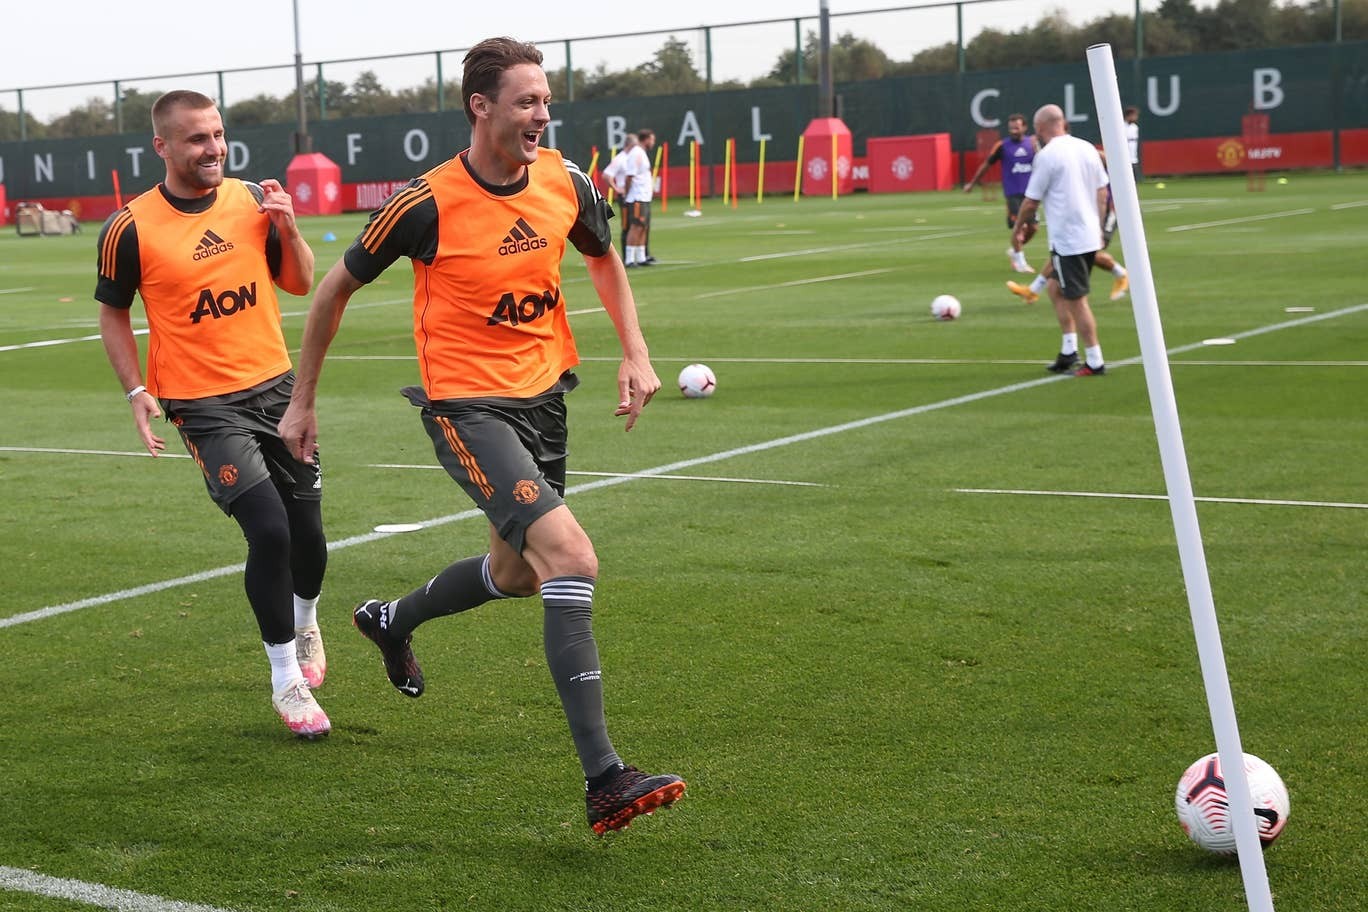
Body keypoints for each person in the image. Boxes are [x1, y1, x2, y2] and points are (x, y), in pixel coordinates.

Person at [277, 37, 685, 833]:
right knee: (571, 557)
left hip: (546, 399)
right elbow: (331, 292)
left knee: (521, 572)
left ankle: (392, 620)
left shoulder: (565, 179)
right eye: (528, 101)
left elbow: (604, 259)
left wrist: (635, 353)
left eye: (545, 100)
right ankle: (605, 778)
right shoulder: (423, 202)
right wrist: (303, 401)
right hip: (468, 408)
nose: (543, 114)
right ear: (482, 107)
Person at [94, 90, 330, 739]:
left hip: (277, 389)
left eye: (218, 135)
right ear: (162, 147)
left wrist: (288, 226)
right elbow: (113, 310)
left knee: (310, 537)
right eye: (197, 139)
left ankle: (307, 623)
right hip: (201, 404)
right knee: (271, 532)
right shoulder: (130, 226)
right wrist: (135, 389)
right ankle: (286, 683)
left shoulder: (253, 198)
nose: (214, 149)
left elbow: (303, 282)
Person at [1008, 103, 1110, 376]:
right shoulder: (1087, 147)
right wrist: (1099, 228)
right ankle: (1068, 351)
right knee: (1054, 289)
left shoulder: (1048, 156)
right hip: (1087, 235)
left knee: (1077, 300)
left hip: (1069, 239)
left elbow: (1030, 202)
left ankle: (1095, 360)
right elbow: (1102, 193)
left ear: (1040, 128)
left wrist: (1016, 230)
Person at [963, 112, 1038, 273]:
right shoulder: (1002, 146)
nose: (1013, 130)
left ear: (1024, 127)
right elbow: (986, 165)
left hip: (1031, 195)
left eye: (1017, 127)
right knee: (1019, 227)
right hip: (1013, 195)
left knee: (1033, 228)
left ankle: (1015, 251)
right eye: (1011, 128)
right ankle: (1020, 263)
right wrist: (972, 183)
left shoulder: (1032, 144)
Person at [620, 128, 656, 267]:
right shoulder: (636, 153)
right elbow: (630, 175)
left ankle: (641, 257)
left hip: (644, 196)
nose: (653, 142)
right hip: (637, 196)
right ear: (646, 139)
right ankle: (629, 259)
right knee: (635, 226)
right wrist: (627, 193)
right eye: (651, 139)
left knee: (643, 226)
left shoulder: (641, 153)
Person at [599, 133, 637, 255]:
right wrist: (616, 188)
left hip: (634, 195)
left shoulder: (633, 158)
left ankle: (642, 253)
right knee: (627, 225)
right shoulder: (620, 159)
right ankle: (627, 255)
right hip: (625, 195)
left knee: (639, 224)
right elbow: (606, 175)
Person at [1124, 105, 1142, 184]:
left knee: (1134, 180)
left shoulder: (1135, 127)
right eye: (1134, 115)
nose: (1136, 117)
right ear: (1129, 115)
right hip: (1123, 155)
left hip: (1133, 154)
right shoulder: (1120, 125)